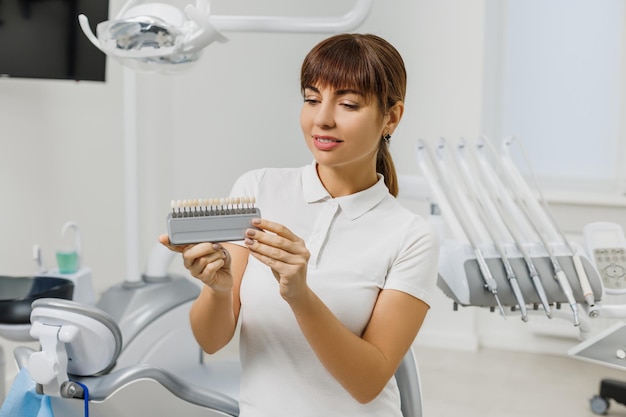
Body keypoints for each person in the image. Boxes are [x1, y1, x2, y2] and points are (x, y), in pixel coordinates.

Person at [159, 33, 439, 417]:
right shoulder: (258, 189)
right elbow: (210, 341)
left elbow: (367, 382)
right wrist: (218, 290)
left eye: (348, 104)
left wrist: (300, 295)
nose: (322, 118)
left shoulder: (411, 237)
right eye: (311, 98)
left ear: (390, 117)